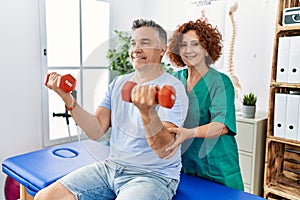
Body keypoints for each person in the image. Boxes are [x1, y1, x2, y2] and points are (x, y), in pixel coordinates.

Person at [36, 19, 188, 200]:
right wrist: (67, 98)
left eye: (145, 43)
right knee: (45, 197)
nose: (136, 49)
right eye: (133, 43)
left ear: (162, 49)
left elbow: (165, 150)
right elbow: (96, 129)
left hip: (153, 175)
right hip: (112, 167)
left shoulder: (172, 88)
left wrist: (147, 112)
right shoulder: (119, 83)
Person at [165, 18, 244, 191]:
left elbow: (222, 125)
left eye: (195, 44)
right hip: (186, 166)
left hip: (217, 167)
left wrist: (189, 133)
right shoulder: (174, 80)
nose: (188, 50)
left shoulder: (220, 82)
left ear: (206, 48)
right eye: (183, 45)